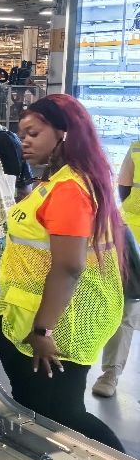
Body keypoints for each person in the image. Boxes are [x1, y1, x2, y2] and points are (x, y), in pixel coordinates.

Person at [0, 95, 124, 452]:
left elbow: (69, 265)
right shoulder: (56, 182)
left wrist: (43, 331)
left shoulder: (70, 189)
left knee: (61, 413)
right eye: (22, 133)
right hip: (31, 314)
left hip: (58, 326)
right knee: (38, 407)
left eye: (34, 133)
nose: (24, 141)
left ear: (64, 134)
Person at [92, 141, 140, 397]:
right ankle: (111, 372)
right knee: (128, 304)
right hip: (129, 230)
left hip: (127, 231)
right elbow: (123, 186)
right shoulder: (136, 147)